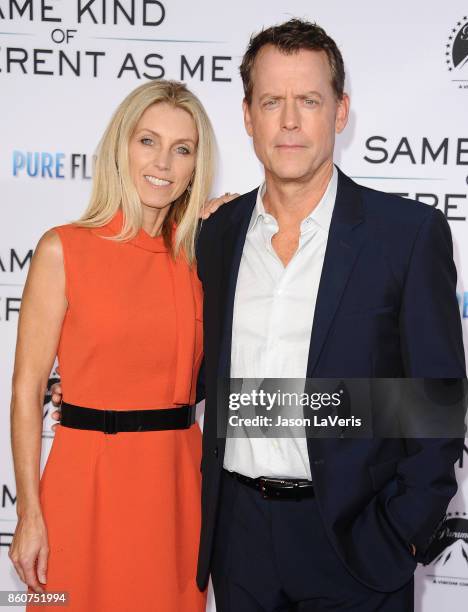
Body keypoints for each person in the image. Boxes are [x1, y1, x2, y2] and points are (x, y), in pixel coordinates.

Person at [193, 19, 466, 611]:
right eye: (272, 101)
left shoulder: (407, 236)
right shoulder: (217, 236)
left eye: (309, 100)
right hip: (240, 544)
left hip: (358, 544)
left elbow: (437, 405)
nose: (289, 121)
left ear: (340, 112)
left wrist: (401, 534)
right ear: (247, 116)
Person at [9, 79, 235, 611]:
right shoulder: (63, 249)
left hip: (177, 489)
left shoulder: (204, 255)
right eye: (147, 141)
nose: (164, 162)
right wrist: (28, 513)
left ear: (195, 165)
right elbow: (26, 392)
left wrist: (232, 219)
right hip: (84, 483)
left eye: (183, 149)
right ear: (121, 146)